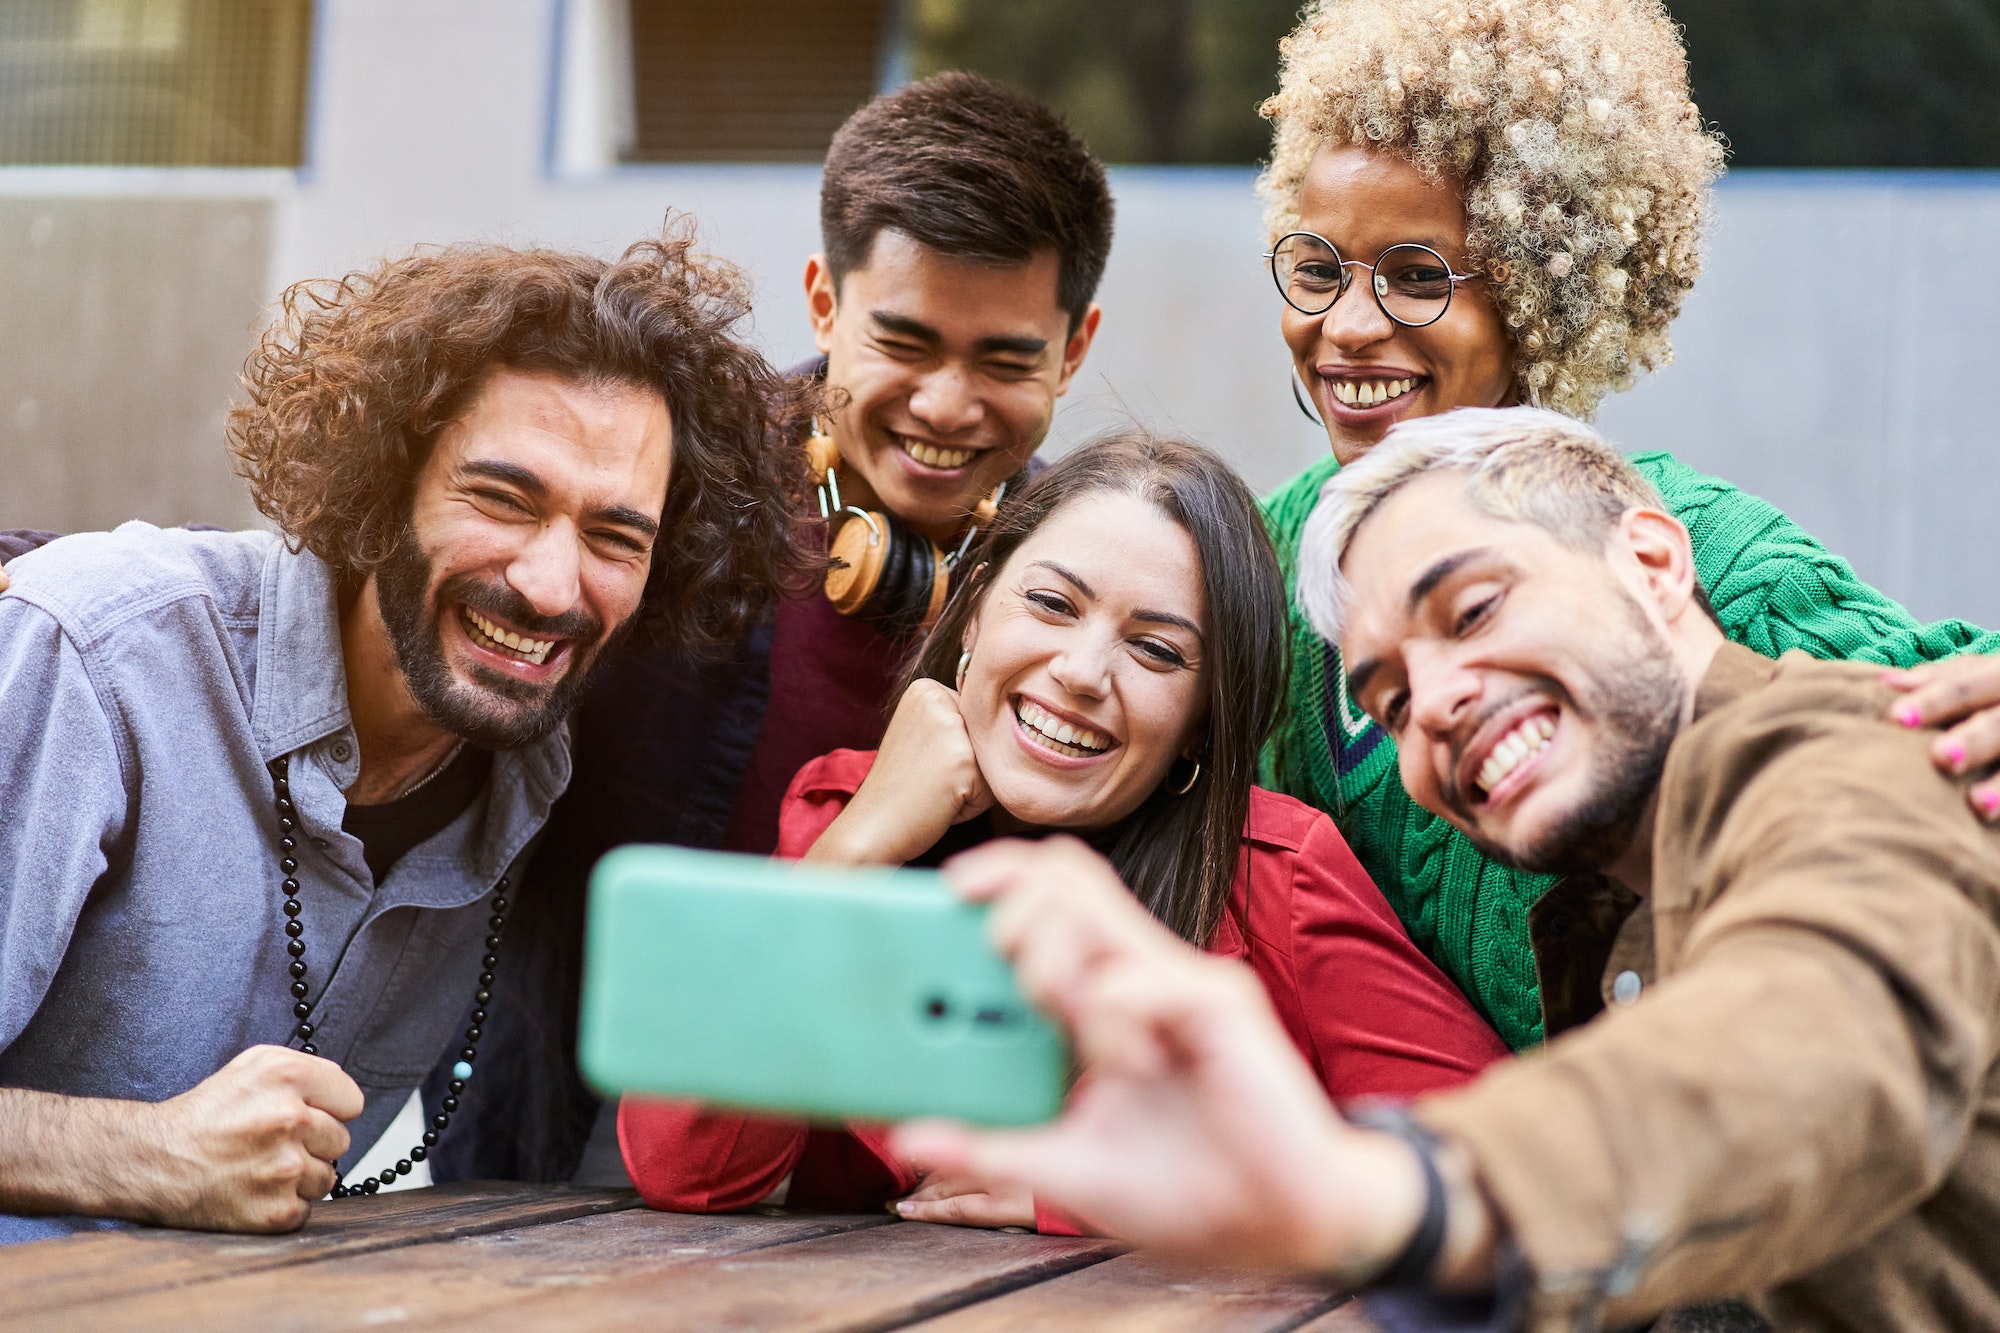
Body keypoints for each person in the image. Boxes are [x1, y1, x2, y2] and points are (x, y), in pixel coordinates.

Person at [901, 407, 2000, 1331]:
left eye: (1471, 609)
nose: (1433, 703)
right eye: (1386, 700)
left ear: (1654, 561)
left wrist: (1378, 1192)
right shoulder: (1618, 900)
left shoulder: (1856, 763)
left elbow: (1814, 1031)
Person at [0, 222, 812, 1240]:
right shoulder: (99, 656)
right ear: (382, 484)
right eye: (502, 498)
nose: (553, 585)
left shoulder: (533, 773)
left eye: (614, 536)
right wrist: (148, 1152)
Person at [1250, 0, 2000, 1050]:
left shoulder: (1679, 552)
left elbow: (1949, 703)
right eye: (1317, 268)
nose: (1347, 324)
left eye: (1417, 279)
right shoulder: (1266, 552)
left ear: (1539, 286)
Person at [433, 71, 1115, 1184]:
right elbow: (395, 565)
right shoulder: (669, 475)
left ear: (1074, 348)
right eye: (903, 343)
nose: (945, 406)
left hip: (927, 1191)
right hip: (579, 1151)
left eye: (1005, 360)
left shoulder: (1086, 569)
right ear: (822, 303)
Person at [619, 431, 1506, 1229]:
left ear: (1203, 717)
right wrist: (854, 854)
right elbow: (684, 1169)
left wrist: (1104, 1196)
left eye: (1156, 650)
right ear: (973, 608)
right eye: (1050, 603)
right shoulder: (844, 813)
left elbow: (1492, 1167)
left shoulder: (1279, 874)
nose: (1082, 671)